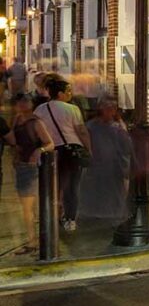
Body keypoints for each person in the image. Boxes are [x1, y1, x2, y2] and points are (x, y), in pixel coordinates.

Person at [35, 79, 91, 232]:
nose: (70, 94)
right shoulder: (72, 109)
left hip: (50, 152)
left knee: (53, 185)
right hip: (71, 150)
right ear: (60, 94)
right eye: (68, 91)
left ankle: (51, 215)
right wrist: (89, 148)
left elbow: (36, 131)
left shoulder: (39, 110)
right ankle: (70, 219)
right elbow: (81, 131)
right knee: (72, 187)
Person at [6, 93, 55, 254]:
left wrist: (38, 150)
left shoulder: (36, 122)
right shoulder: (17, 121)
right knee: (27, 208)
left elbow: (50, 143)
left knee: (29, 208)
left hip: (31, 168)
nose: (22, 105)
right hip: (21, 166)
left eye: (25, 102)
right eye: (20, 102)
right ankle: (34, 239)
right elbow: (13, 142)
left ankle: (35, 241)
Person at [79, 97, 133, 223]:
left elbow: (127, 146)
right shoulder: (91, 127)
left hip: (112, 166)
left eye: (112, 108)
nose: (110, 111)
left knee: (112, 192)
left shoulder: (116, 128)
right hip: (97, 166)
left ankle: (111, 215)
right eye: (108, 108)